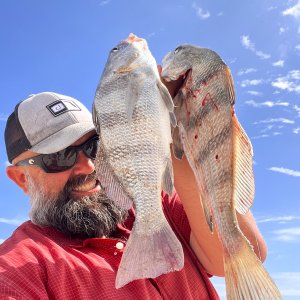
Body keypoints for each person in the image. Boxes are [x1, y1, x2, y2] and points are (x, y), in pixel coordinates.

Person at [0, 91, 267, 299]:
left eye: (94, 146)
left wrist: (187, 137)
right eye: (60, 157)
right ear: (22, 178)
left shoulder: (156, 204)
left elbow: (242, 254)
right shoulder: (17, 270)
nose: (89, 167)